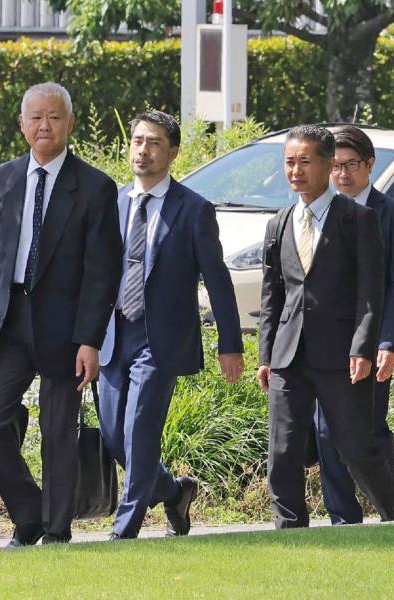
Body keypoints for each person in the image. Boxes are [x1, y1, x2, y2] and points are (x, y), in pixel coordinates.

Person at [0, 82, 123, 546]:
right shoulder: (1, 179)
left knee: (58, 432)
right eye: (35, 117)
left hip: (67, 329)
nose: (44, 125)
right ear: (21, 124)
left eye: (54, 117)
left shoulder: (95, 187)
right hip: (10, 322)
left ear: (70, 123)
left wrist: (90, 340)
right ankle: (29, 513)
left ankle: (56, 531)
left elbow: (102, 273)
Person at [98, 110, 244, 540]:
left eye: (154, 142)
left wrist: (229, 344)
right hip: (112, 336)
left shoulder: (194, 210)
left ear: (173, 152)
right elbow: (95, 276)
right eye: (138, 140)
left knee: (139, 433)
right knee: (114, 438)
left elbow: (218, 280)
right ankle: (174, 491)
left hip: (160, 341)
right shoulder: (114, 203)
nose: (143, 150)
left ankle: (124, 530)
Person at [257, 124, 394, 529]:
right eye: (289, 162)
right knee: (283, 448)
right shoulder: (279, 223)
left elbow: (370, 293)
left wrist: (363, 347)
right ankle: (289, 529)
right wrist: (266, 355)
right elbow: (273, 294)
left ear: (326, 164)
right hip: (289, 355)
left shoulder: (358, 219)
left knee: (356, 446)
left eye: (305, 161)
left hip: (341, 354)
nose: (295, 171)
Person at [312, 125, 394, 524]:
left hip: (373, 343)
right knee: (326, 433)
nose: (342, 174)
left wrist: (389, 342)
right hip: (325, 344)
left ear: (369, 164)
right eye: (334, 166)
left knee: (368, 430)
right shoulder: (317, 212)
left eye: (350, 164)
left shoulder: (393, 215)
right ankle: (343, 517)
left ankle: (393, 501)